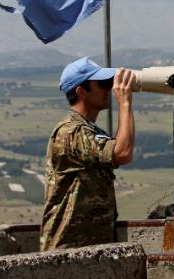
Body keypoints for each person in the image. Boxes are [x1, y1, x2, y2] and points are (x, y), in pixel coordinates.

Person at [39, 57, 136, 250]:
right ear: (81, 91)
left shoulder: (89, 131)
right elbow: (122, 153)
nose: (108, 89)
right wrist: (125, 104)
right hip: (67, 251)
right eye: (102, 84)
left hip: (90, 247)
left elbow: (121, 151)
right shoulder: (71, 132)